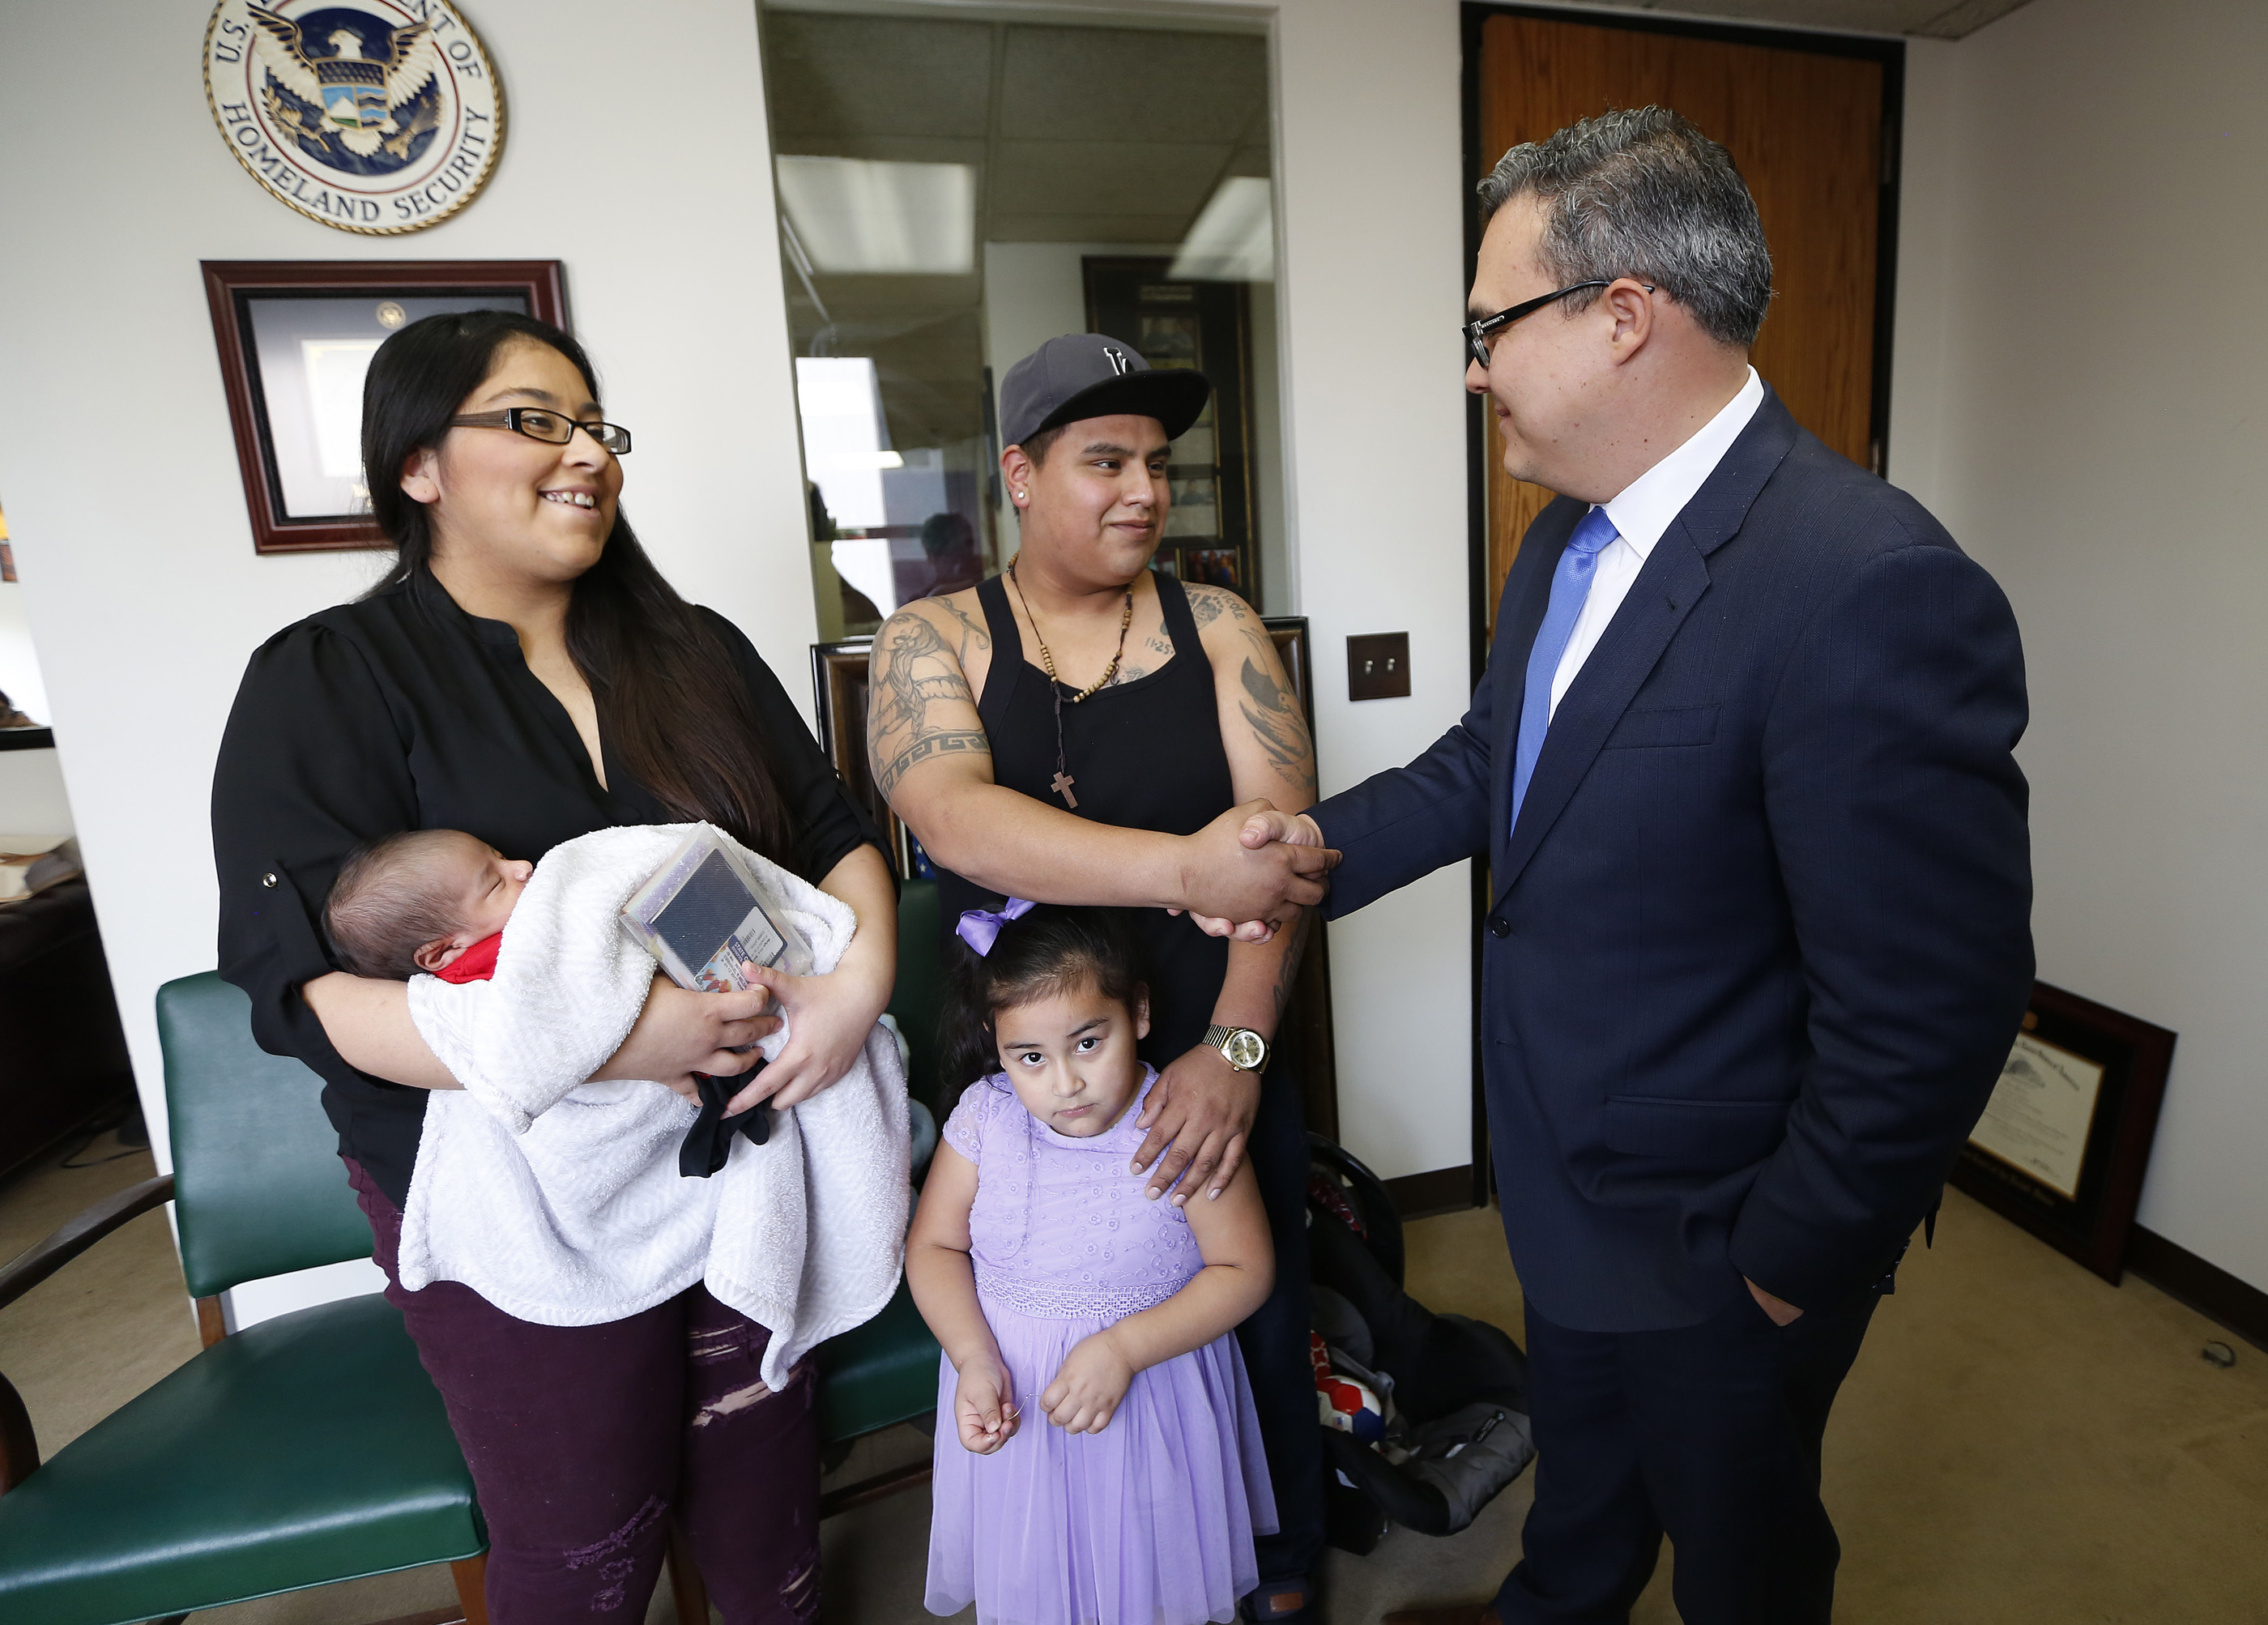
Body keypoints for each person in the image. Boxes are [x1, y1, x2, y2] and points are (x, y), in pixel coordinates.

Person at [1234, 109, 2033, 1623]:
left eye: (1489, 328)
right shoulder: (1566, 541)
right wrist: (1311, 852)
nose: (1473, 370)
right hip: (1565, 1176)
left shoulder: (1870, 585)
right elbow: (1496, 764)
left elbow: (1938, 1001)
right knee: (1586, 1496)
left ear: (1620, 318)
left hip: (1722, 1237)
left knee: (1742, 1553)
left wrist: (1787, 1263)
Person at [211, 310, 898, 1625]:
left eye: (594, 425)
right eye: (535, 419)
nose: (584, 450)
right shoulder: (328, 679)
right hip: (517, 1195)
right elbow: (311, 992)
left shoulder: (692, 651)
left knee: (764, 1515)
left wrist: (849, 994)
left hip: (750, 1143)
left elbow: (834, 841)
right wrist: (614, 1041)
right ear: (418, 466)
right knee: (588, 1542)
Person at [868, 333, 1332, 1621]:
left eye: (1158, 464)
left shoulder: (1223, 624)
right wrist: (1189, 867)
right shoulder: (931, 641)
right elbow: (958, 820)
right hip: (1031, 1079)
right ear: (1020, 472)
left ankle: (1274, 1571)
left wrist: (1236, 1051)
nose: (1142, 490)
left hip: (1208, 1053)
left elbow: (1281, 863)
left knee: (1251, 1312)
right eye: (1105, 460)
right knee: (1030, 1327)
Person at [909, 902, 1276, 1625]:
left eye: (1087, 1042)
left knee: (1147, 1577)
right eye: (1031, 1058)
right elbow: (934, 1246)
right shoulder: (985, 1119)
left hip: (1147, 1408)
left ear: (1137, 1012)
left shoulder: (1182, 1120)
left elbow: (1245, 1270)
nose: (1065, 1084)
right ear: (998, 1045)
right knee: (1039, 1581)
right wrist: (972, 1356)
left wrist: (1123, 1348)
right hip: (1015, 1398)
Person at [324, 828, 532, 983]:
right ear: (443, 952)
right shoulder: (490, 965)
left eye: (501, 856)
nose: (523, 866)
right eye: (496, 884)